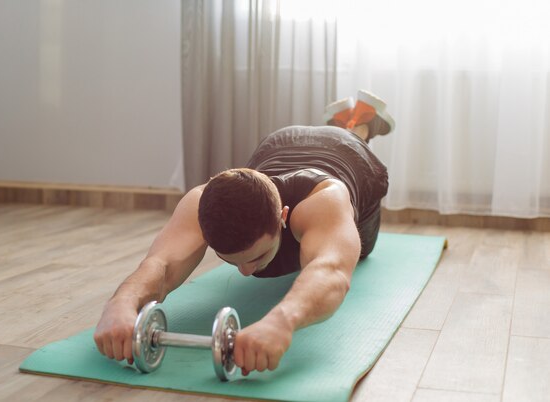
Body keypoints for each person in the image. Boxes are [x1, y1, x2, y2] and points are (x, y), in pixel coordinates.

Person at [94, 89, 394, 376]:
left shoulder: (324, 199)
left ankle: (359, 125)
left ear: (283, 217)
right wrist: (120, 304)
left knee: (361, 249)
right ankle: (345, 118)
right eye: (230, 260)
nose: (246, 273)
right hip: (281, 142)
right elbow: (161, 264)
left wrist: (281, 322)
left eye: (257, 256)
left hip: (349, 153)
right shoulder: (202, 200)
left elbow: (331, 271)